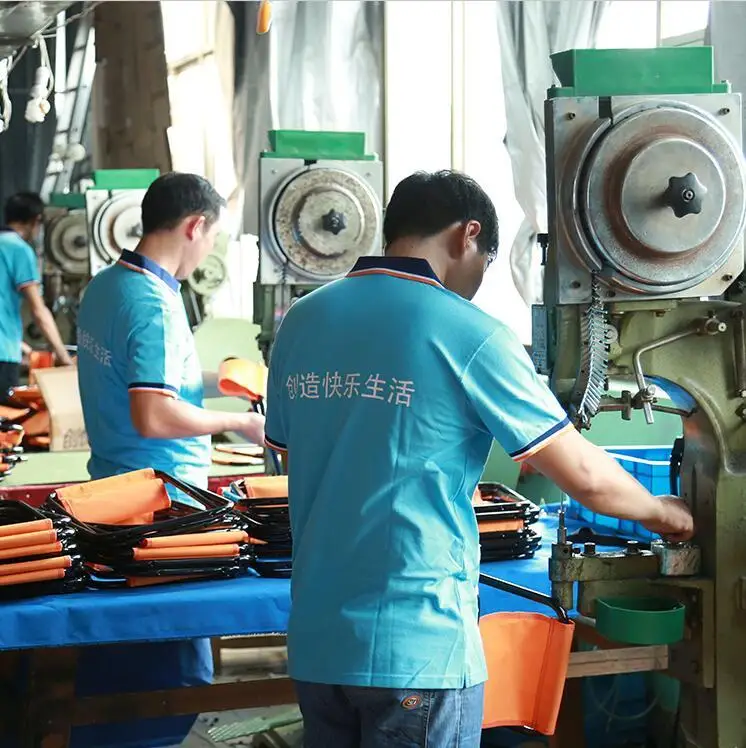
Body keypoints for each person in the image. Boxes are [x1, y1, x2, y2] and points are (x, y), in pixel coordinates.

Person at [264, 170, 694, 748]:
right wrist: (666, 513)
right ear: (467, 234)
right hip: (416, 645)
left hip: (318, 642)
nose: (479, 281)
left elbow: (296, 457)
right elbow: (586, 478)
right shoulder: (470, 333)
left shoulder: (303, 320)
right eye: (487, 263)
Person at [76, 172, 265, 747]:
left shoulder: (108, 286)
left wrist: (222, 381)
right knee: (172, 669)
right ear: (194, 226)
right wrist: (242, 424)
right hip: (161, 511)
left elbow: (153, 380)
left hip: (110, 494)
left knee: (118, 655)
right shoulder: (153, 304)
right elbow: (155, 414)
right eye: (213, 237)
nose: (209, 250)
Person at [0, 192, 72, 401]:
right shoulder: (18, 250)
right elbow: (38, 310)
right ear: (36, 220)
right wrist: (64, 357)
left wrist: (20, 345)